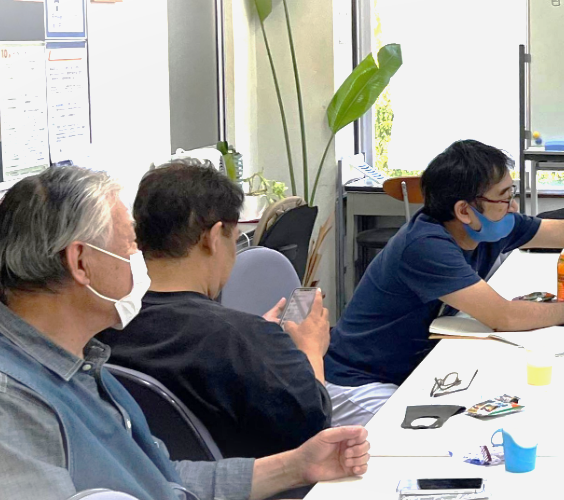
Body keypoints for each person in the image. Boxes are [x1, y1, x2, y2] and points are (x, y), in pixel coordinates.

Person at [0, 166, 370, 500]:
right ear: (81, 262)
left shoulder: (87, 363)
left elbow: (160, 477)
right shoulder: (13, 405)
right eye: (129, 244)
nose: (138, 258)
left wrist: (296, 466)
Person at [326, 139, 564, 413]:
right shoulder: (426, 245)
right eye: (504, 196)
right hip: (361, 383)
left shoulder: (486, 225)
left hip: (412, 368)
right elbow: (505, 317)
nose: (513, 206)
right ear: (464, 210)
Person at [96, 160, 341, 460]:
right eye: (234, 241)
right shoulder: (240, 340)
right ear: (212, 238)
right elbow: (314, 433)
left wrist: (255, 338)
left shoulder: (104, 325)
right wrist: (311, 351)